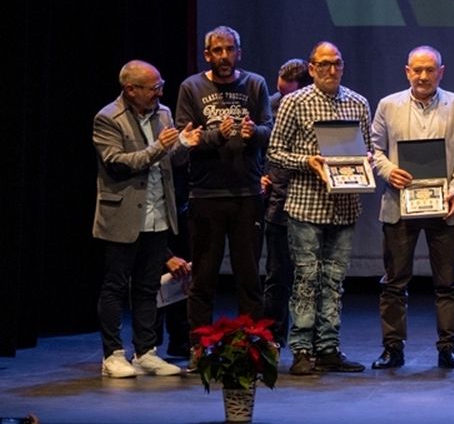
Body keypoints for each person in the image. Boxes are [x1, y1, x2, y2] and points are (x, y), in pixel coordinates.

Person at [369, 46, 454, 370]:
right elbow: (374, 149)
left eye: (430, 70)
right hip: (400, 205)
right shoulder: (388, 105)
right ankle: (392, 349)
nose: (423, 76)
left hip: (445, 206)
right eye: (417, 70)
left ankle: (448, 348)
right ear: (407, 72)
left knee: (447, 282)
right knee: (394, 281)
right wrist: (389, 171)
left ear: (441, 72)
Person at [266, 41, 369, 375]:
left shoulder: (358, 103)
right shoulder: (294, 103)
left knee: (334, 280)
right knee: (307, 278)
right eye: (323, 64)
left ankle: (328, 347)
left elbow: (365, 150)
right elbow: (275, 152)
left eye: (336, 63)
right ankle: (301, 349)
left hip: (344, 205)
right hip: (306, 205)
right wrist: (307, 161)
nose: (331, 70)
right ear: (311, 68)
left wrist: (364, 162)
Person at [93, 60, 198, 377]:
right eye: (154, 88)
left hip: (157, 212)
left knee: (148, 286)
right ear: (131, 89)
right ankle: (112, 354)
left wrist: (183, 146)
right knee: (115, 286)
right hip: (122, 214)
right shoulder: (108, 118)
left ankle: (146, 351)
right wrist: (159, 148)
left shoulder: (163, 114)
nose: (160, 92)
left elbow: (171, 159)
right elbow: (118, 163)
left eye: (160, 85)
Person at [173, 25, 272, 334]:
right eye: (218, 50)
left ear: (238, 53)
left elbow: (270, 131)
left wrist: (252, 133)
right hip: (206, 194)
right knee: (204, 277)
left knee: (248, 277)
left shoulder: (255, 84)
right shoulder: (191, 87)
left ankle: (251, 348)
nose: (225, 55)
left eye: (230, 49)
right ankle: (199, 348)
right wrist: (218, 134)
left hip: (246, 194)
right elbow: (184, 139)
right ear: (207, 55)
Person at [262, 58, 310, 344]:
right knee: (277, 275)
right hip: (277, 201)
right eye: (279, 93)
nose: (282, 100)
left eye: (287, 94)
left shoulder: (317, 106)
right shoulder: (270, 105)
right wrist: (260, 174)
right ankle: (271, 338)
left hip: (310, 200)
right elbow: (257, 144)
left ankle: (310, 340)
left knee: (309, 275)